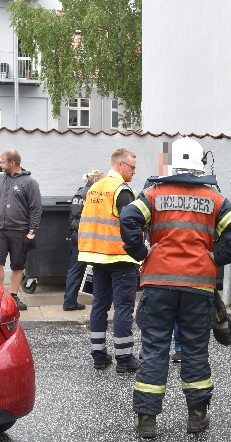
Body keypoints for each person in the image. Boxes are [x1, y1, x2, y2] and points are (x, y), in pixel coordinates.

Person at [120, 136, 231, 439]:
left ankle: (147, 420)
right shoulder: (214, 199)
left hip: (158, 284)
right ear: (198, 164)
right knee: (194, 350)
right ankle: (197, 416)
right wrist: (217, 257)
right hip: (198, 286)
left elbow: (128, 218)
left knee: (154, 350)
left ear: (172, 163)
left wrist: (141, 253)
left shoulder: (153, 194)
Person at [77, 149, 140, 373]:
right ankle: (124, 360)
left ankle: (99, 357)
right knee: (123, 308)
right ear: (120, 165)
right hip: (120, 256)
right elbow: (130, 225)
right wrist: (140, 252)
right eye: (132, 167)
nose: (134, 171)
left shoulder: (95, 187)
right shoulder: (121, 190)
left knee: (99, 306)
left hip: (96, 256)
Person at [0, 149, 42, 311]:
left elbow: (36, 209)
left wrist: (32, 231)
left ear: (13, 162)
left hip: (20, 231)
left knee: (18, 266)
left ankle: (13, 296)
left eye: (2, 161)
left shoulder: (29, 182)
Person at [63, 169, 103, 311]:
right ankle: (100, 300)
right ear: (96, 179)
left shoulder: (79, 193)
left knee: (75, 269)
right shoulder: (92, 194)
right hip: (87, 235)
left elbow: (73, 215)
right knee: (98, 268)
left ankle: (69, 301)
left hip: (76, 233)